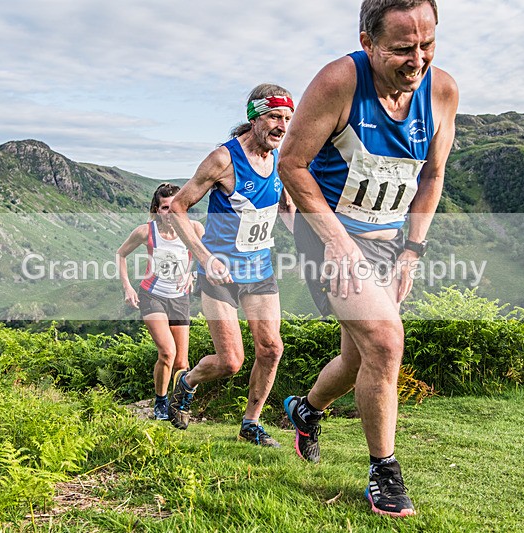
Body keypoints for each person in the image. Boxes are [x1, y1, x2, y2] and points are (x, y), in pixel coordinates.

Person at [277, 0, 458, 517]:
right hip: (327, 232)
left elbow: (433, 174)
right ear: (367, 42)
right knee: (385, 339)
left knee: (360, 357)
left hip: (387, 239)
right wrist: (336, 241)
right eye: (402, 49)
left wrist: (412, 250)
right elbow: (292, 163)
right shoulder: (339, 82)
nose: (417, 60)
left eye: (427, 45)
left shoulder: (442, 92)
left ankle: (306, 410)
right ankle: (384, 471)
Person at [167, 83, 295, 446]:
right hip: (219, 273)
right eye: (274, 117)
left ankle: (250, 424)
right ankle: (187, 382)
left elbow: (286, 208)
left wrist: (317, 242)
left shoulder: (281, 159)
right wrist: (204, 257)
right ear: (254, 117)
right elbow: (177, 206)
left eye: (287, 118)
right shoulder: (223, 159)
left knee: (271, 349)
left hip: (259, 270)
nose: (281, 126)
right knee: (230, 362)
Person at [116, 183, 205, 420]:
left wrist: (192, 273)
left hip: (180, 298)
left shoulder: (195, 228)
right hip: (152, 295)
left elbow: (206, 254)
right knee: (167, 352)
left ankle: (179, 407)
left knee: (182, 362)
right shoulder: (146, 232)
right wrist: (127, 287)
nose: (170, 213)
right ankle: (160, 403)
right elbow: (121, 254)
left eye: (174, 207)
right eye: (165, 208)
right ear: (157, 210)